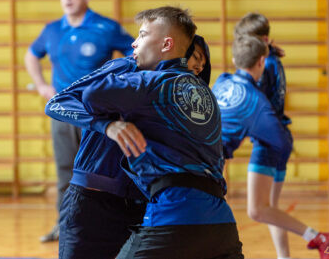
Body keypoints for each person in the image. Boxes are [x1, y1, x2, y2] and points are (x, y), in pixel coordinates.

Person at [74, 6, 243, 259]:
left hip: (172, 219)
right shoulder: (207, 95)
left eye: (142, 35)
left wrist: (113, 119)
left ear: (166, 44)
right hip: (222, 225)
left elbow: (91, 94)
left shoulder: (151, 82)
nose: (134, 42)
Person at [44, 34, 212, 259]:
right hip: (93, 202)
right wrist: (107, 126)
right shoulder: (126, 67)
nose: (200, 65)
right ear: (175, 50)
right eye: (197, 56)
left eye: (204, 63)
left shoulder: (182, 102)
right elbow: (57, 103)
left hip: (144, 206)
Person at [24, 0, 134, 242]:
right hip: (63, 113)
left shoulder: (105, 27)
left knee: (103, 171)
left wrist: (118, 87)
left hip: (98, 115)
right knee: (65, 170)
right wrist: (41, 85)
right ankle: (65, 225)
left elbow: (135, 54)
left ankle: (108, 226)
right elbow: (31, 55)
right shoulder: (52, 30)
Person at [212, 34, 329, 259]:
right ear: (261, 62)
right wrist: (251, 130)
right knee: (258, 211)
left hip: (192, 157)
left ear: (233, 60)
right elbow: (279, 140)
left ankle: (304, 244)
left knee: (260, 210)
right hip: (209, 165)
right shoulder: (257, 102)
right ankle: (313, 239)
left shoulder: (221, 80)